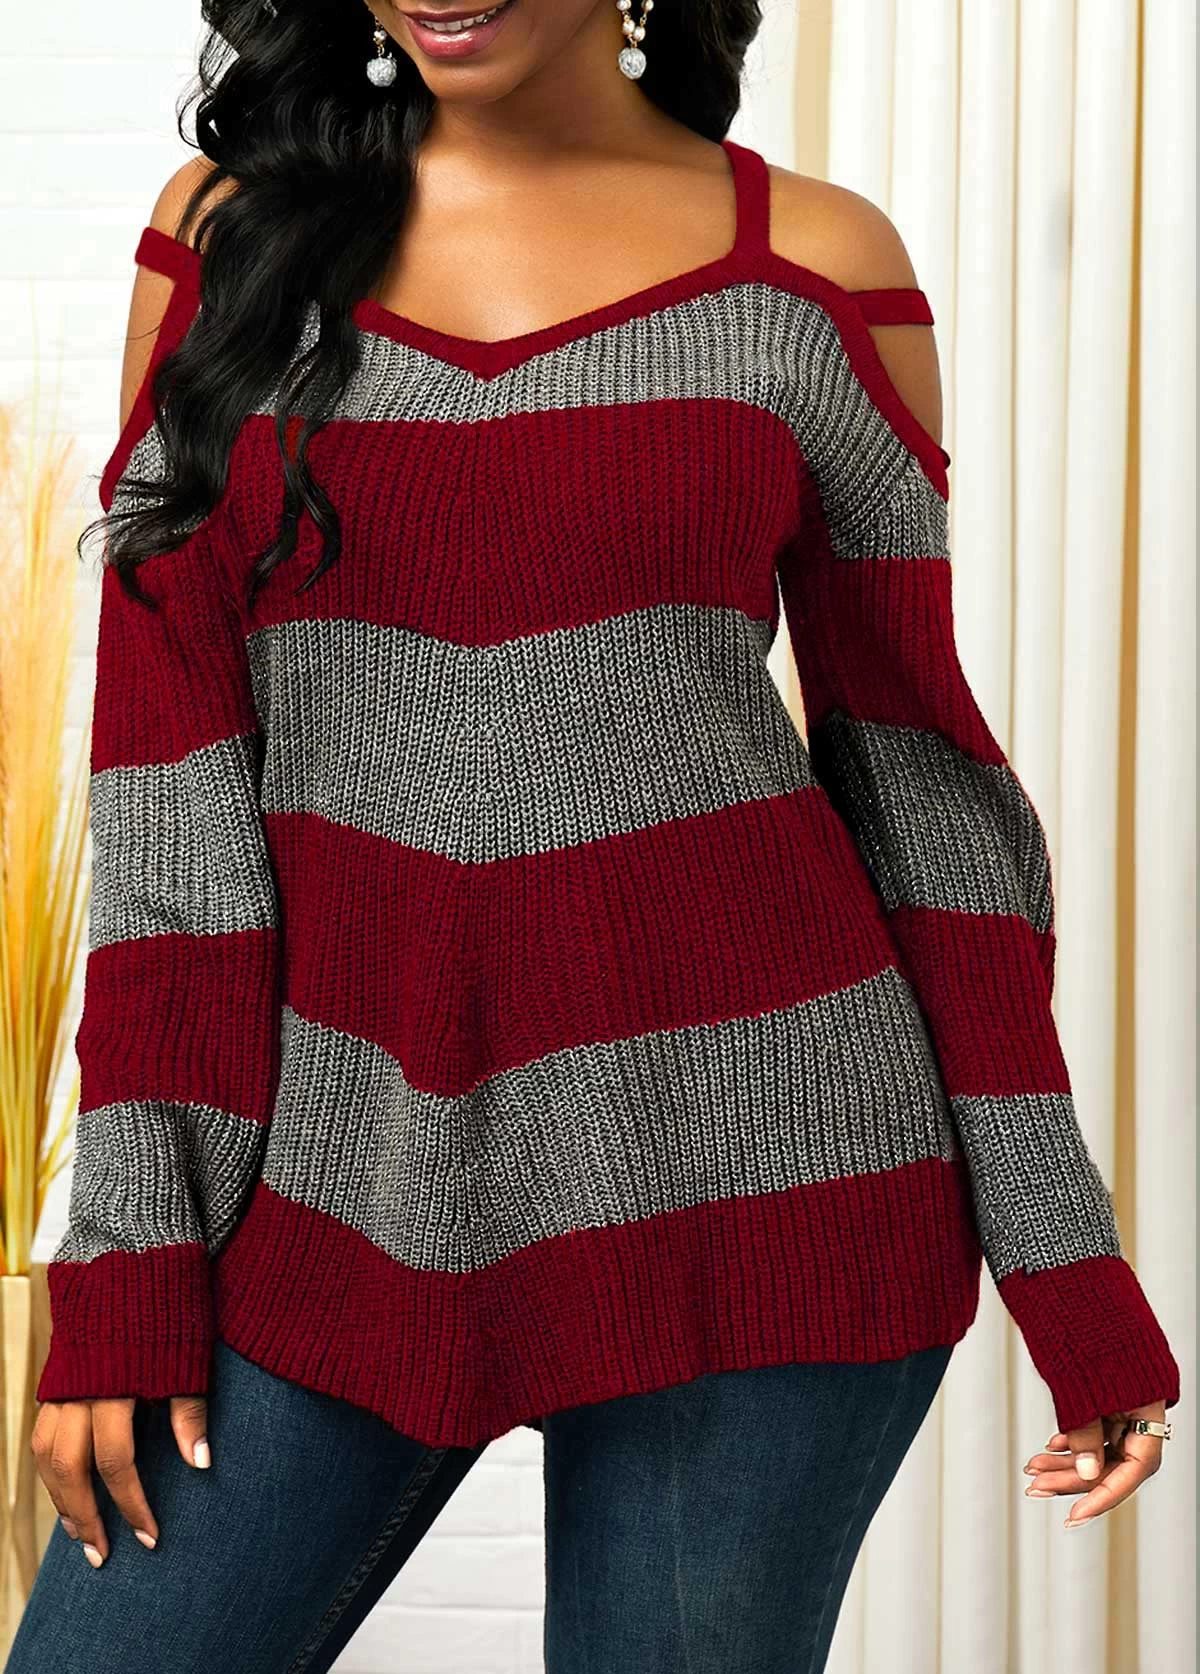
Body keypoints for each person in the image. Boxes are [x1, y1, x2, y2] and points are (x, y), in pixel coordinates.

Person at [8, 2, 1180, 1671]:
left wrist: (1070, 1267)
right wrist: (131, 1266)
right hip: (332, 1190)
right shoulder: (232, 242)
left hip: (766, 1192)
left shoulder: (816, 269)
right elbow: (169, 803)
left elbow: (922, 792)